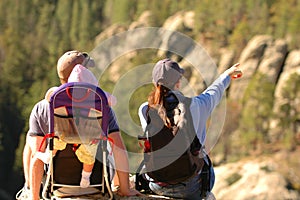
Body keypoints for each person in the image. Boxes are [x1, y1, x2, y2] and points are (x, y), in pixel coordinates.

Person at [16, 50, 141, 200]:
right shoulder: (102, 106)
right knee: (109, 142)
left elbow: (38, 155)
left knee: (33, 142)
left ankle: (29, 190)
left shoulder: (43, 107)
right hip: (96, 185)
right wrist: (126, 190)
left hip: (59, 187)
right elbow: (119, 148)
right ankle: (117, 185)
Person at [138, 58, 242, 199]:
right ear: (178, 83)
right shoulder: (195, 105)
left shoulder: (145, 110)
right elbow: (214, 92)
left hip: (157, 184)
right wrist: (226, 75)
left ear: (155, 83)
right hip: (190, 188)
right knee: (204, 159)